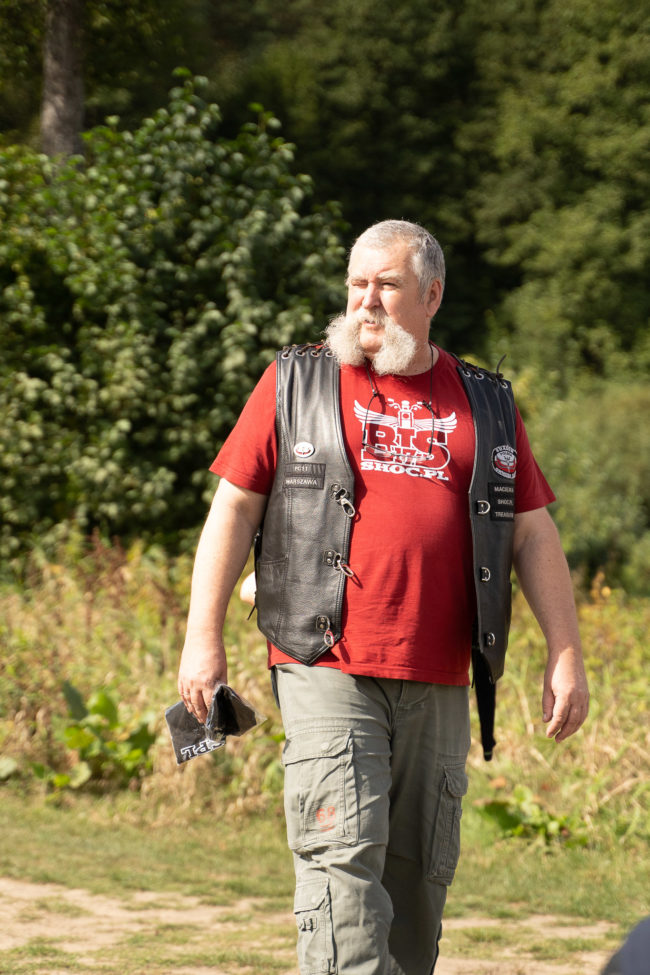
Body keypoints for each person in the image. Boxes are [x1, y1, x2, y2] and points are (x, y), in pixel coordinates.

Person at [178, 219, 589, 975]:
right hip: (324, 659)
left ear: (432, 295)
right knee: (342, 866)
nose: (366, 301)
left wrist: (565, 653)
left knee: (419, 883)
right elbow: (233, 508)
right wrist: (202, 638)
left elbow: (532, 533)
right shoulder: (296, 381)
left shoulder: (487, 402)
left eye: (387, 285)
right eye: (356, 284)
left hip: (442, 674)